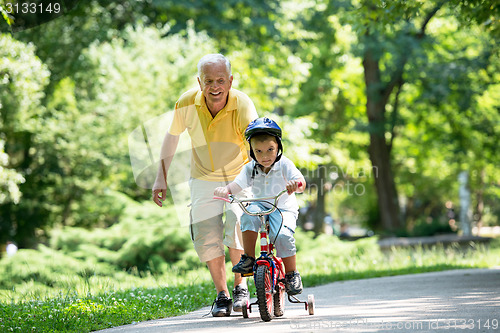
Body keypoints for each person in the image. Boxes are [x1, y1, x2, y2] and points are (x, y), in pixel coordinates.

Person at [152, 54, 258, 317]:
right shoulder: (188, 102)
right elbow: (172, 137)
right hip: (202, 177)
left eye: (221, 80)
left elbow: (256, 143)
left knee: (237, 224)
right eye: (209, 80)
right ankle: (222, 294)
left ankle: (240, 288)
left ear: (230, 81)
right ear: (200, 82)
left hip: (238, 176)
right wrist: (160, 176)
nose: (215, 86)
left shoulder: (242, 104)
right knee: (207, 236)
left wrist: (262, 177)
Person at [214, 117, 306, 295]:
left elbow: (301, 182)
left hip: (283, 208)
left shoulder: (284, 164)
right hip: (259, 206)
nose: (265, 156)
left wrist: (296, 185)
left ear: (278, 147)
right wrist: (226, 190)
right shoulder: (250, 168)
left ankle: (291, 274)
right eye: (259, 151)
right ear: (252, 152)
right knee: (247, 215)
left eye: (270, 150)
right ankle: (248, 258)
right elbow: (237, 185)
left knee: (284, 236)